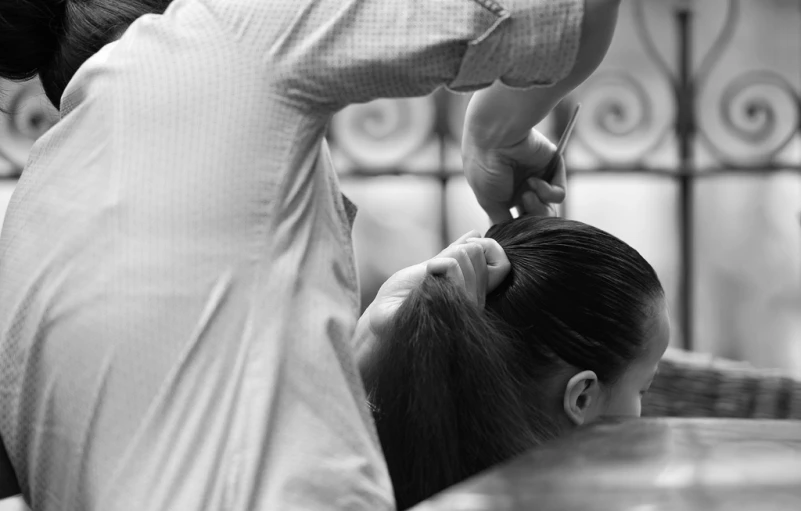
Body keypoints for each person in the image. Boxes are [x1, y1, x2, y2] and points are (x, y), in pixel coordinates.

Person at [0, 0, 623, 509]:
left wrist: (378, 339)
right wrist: (497, 130)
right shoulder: (226, 38)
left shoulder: (34, 211)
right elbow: (574, 13)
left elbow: (205, 433)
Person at [356, 215, 670, 510]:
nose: (643, 414)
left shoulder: (369, 476)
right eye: (643, 389)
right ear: (582, 397)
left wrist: (367, 336)